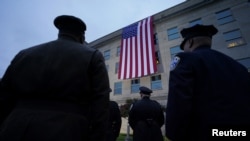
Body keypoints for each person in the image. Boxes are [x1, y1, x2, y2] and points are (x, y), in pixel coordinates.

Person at [0, 15, 110, 141]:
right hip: (67, 130)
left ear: (60, 33)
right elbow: (101, 104)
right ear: (81, 36)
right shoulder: (93, 56)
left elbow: (3, 97)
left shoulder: (23, 54)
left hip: (15, 129)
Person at [165, 24, 250, 141]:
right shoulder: (239, 66)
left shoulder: (186, 60)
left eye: (183, 46)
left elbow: (179, 102)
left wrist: (173, 134)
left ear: (189, 42)